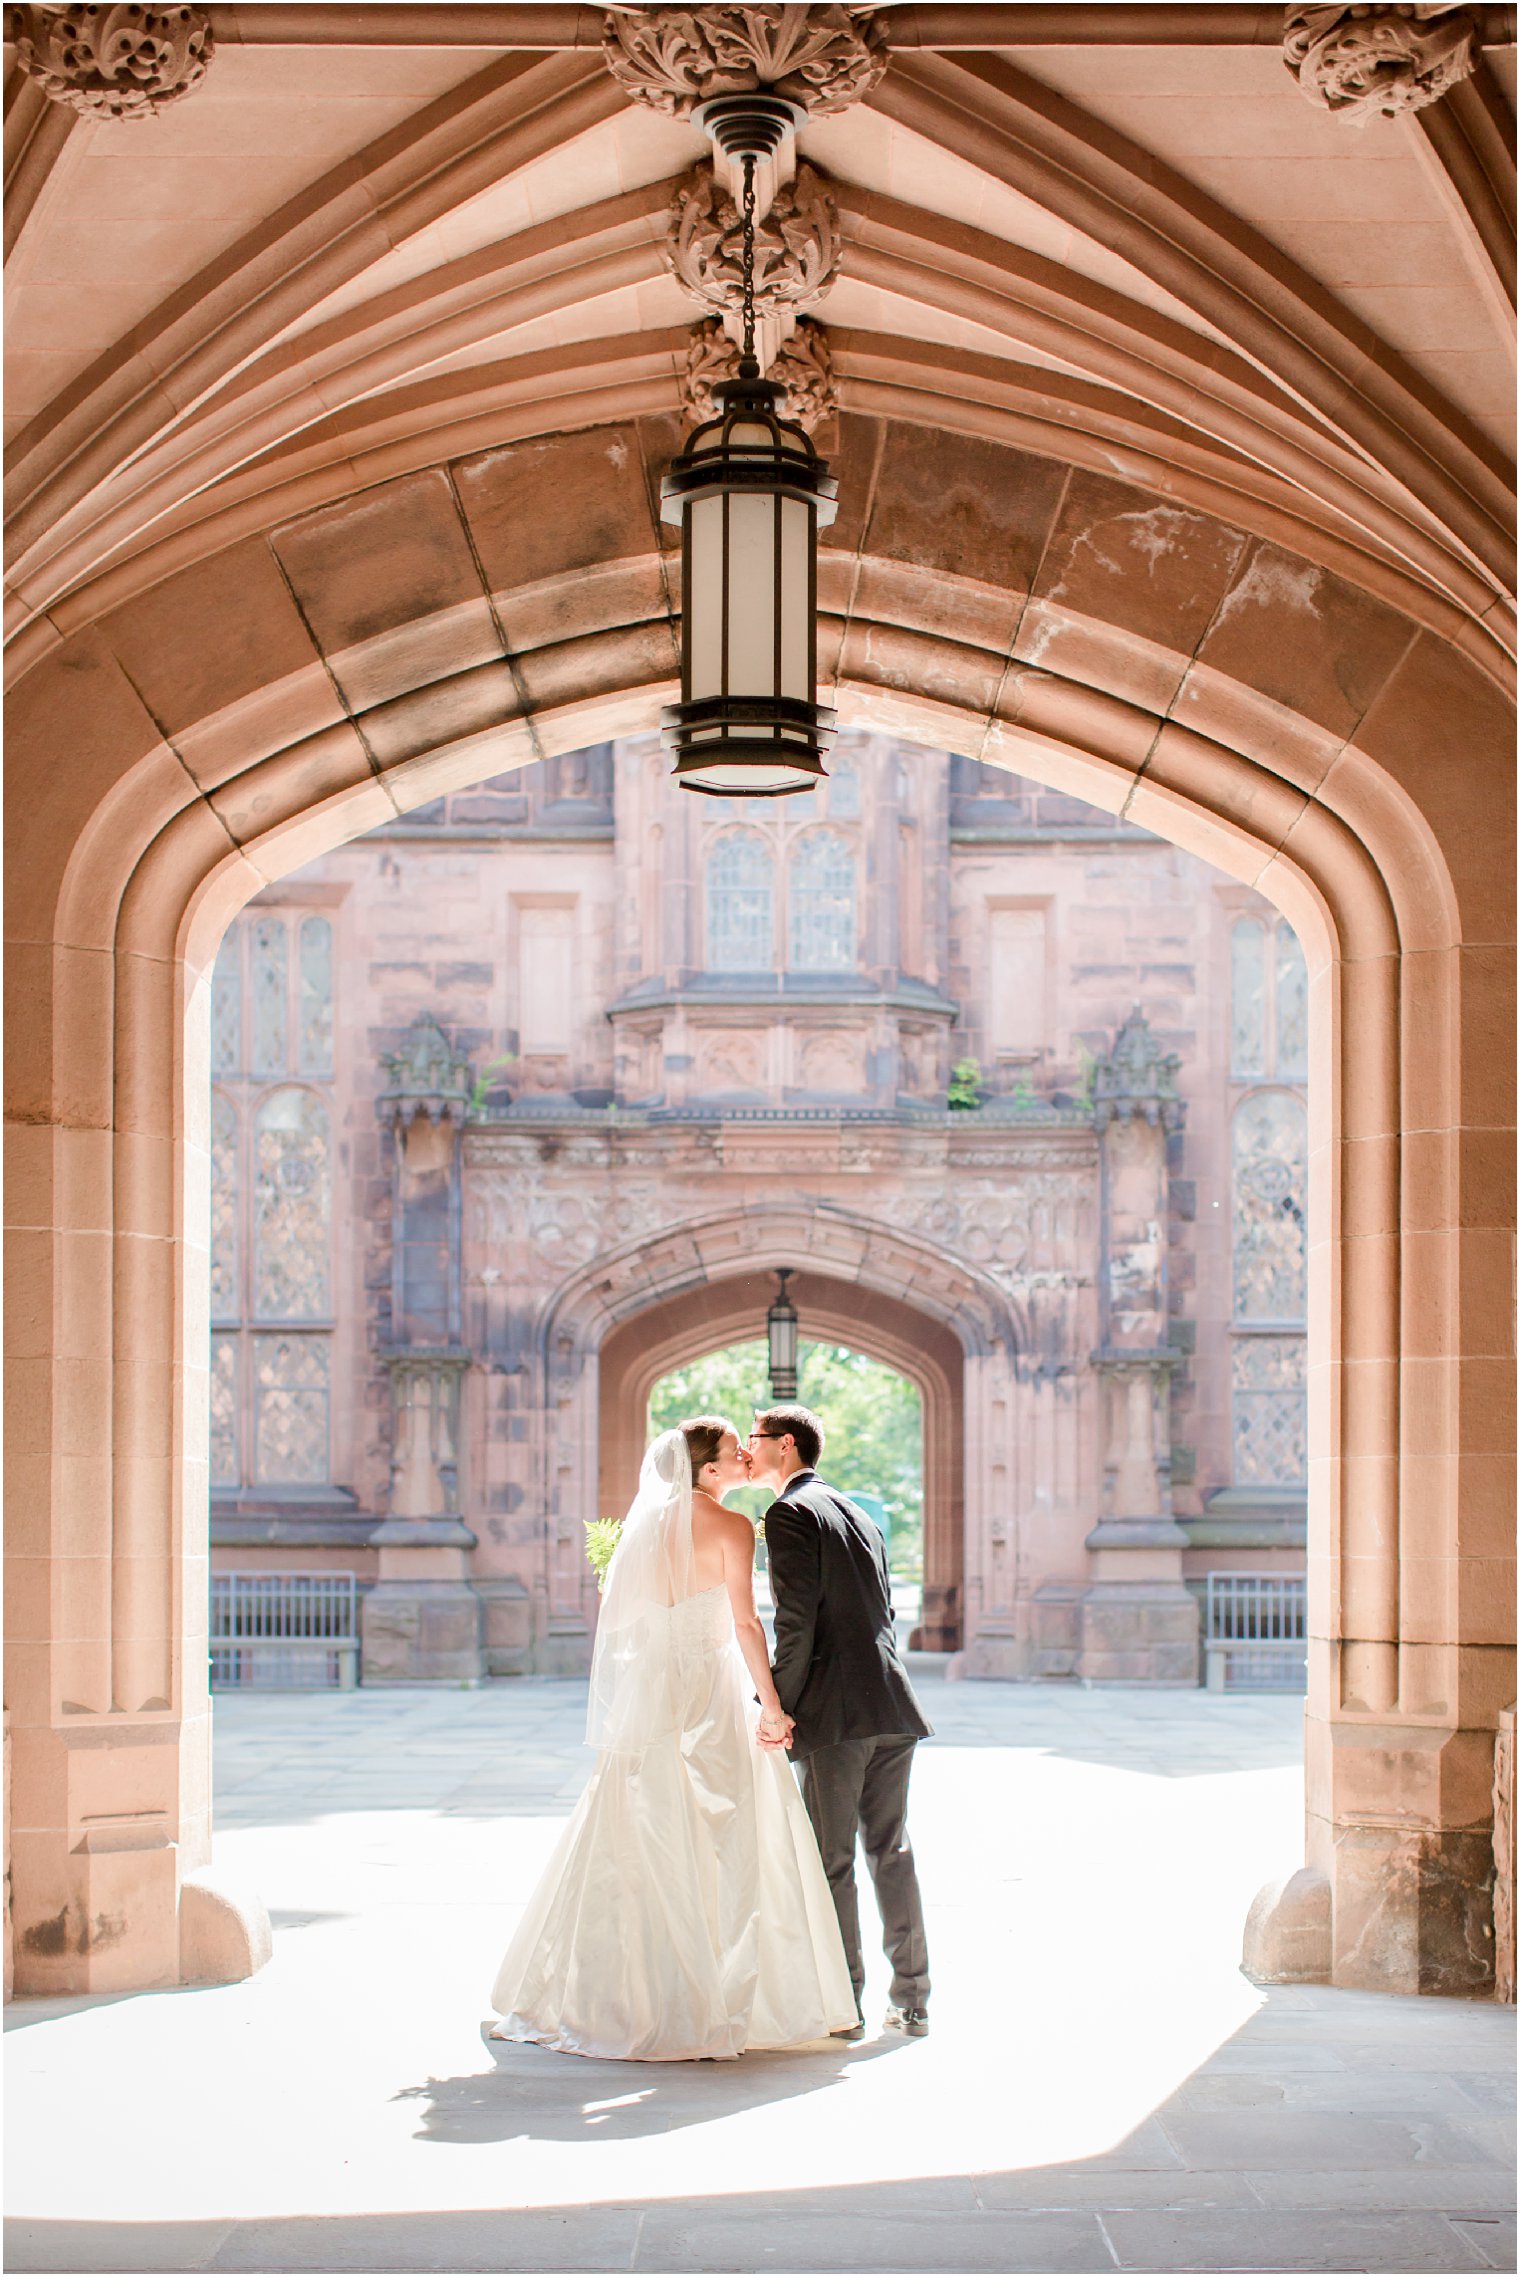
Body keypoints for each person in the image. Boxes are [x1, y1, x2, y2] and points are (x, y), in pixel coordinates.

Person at [488, 1418, 857, 2061]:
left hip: (651, 1691)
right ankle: (717, 1994)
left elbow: (629, 1621)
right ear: (708, 1471)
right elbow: (744, 1622)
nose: (745, 1456)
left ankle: (617, 1994)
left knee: (633, 1831)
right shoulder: (735, 1527)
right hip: (709, 1692)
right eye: (732, 1452)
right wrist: (771, 1705)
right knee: (729, 1834)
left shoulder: (644, 1531)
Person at [748, 1403, 933, 2040]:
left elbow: (794, 1626)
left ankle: (846, 2003)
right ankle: (912, 1999)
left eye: (757, 1438)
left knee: (832, 1861)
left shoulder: (788, 1512)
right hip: (891, 1701)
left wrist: (777, 1707)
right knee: (892, 1849)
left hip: (835, 1710)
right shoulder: (858, 1511)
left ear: (786, 1445)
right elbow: (875, 1611)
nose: (749, 1448)